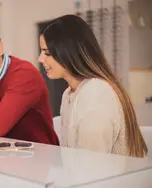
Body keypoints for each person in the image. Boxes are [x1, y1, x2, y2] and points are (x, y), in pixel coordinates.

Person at [38, 14, 148, 157]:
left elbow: (90, 169)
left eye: (47, 53)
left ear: (69, 51)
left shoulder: (95, 93)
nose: (40, 59)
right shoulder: (69, 94)